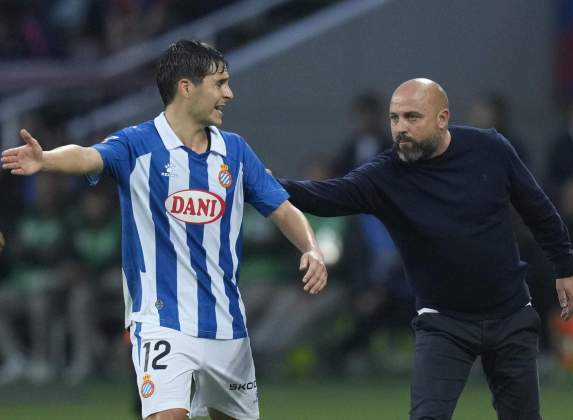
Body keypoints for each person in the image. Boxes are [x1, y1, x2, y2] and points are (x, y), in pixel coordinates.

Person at [2, 40, 328, 420]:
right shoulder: (137, 145)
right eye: (220, 83)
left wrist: (311, 248)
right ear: (186, 87)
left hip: (227, 325)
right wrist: (47, 160)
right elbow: (87, 154)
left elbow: (283, 208)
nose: (229, 93)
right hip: (160, 321)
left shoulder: (236, 152)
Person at [277, 78, 573, 420]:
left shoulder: (490, 148)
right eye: (394, 119)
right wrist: (261, 182)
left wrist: (565, 267)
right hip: (444, 323)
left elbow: (538, 210)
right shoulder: (385, 176)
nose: (400, 128)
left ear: (442, 118)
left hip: (510, 314)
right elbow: (324, 196)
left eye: (412, 117)